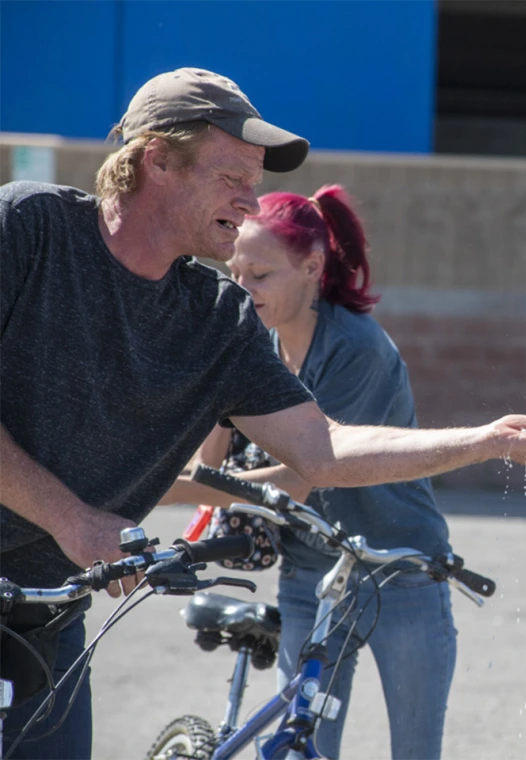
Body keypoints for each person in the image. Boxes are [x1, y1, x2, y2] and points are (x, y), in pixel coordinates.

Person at [0, 67, 526, 759]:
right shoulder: (29, 228)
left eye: (255, 183)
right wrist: (74, 519)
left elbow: (323, 451)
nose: (250, 204)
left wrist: (488, 441)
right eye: (232, 178)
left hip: (48, 617)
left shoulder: (216, 317)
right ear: (157, 160)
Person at [160, 185, 457, 759]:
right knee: (302, 748)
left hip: (399, 572)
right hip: (310, 578)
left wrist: (169, 489)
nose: (241, 290)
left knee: (416, 752)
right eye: (236, 273)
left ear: (312, 268)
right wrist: (221, 379)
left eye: (261, 276)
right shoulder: (252, 335)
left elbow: (307, 475)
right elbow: (209, 465)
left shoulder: (358, 350)